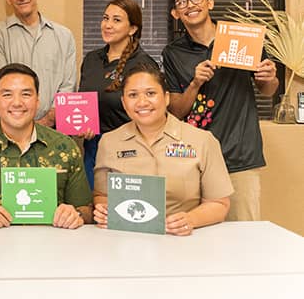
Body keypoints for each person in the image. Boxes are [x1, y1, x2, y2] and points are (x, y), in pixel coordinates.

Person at [162, 0, 278, 221]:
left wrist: (269, 77)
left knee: (243, 236)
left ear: (209, 3)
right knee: (195, 236)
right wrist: (195, 83)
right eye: (182, 2)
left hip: (240, 156)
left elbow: (267, 90)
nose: (190, 5)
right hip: (193, 158)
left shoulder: (240, 37)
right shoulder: (173, 52)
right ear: (175, 13)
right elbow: (175, 110)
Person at [0, 63, 92, 229]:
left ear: (37, 101)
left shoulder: (65, 147)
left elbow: (86, 209)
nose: (17, 103)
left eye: (26, 94)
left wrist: (76, 215)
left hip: (52, 248)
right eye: (7, 94)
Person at [93, 63, 233, 236]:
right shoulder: (109, 142)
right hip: (127, 239)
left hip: (184, 239)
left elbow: (219, 204)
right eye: (133, 95)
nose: (142, 102)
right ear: (123, 102)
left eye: (151, 93)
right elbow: (101, 195)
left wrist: (190, 219)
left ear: (166, 98)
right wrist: (104, 210)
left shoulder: (202, 141)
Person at [78, 0, 157, 188]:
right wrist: (82, 126)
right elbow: (83, 103)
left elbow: (151, 113)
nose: (108, 25)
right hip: (94, 148)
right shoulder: (91, 59)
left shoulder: (143, 64)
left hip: (130, 148)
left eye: (116, 20)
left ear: (132, 29)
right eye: (105, 18)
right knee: (98, 208)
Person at [0, 0, 77, 128]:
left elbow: (68, 85)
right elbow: (1, 85)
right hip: (11, 129)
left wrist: (48, 120)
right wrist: (24, 125)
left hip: (56, 130)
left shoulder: (64, 35)